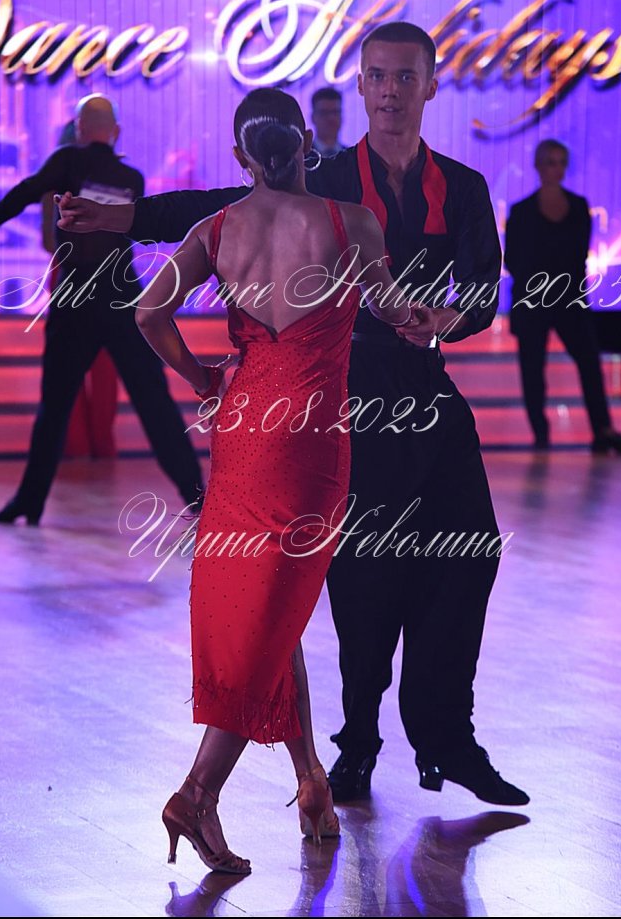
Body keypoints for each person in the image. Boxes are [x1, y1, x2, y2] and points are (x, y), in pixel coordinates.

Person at [57, 22, 529, 807]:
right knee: (365, 574)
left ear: (430, 84)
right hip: (343, 394)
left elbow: (482, 285)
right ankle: (356, 744)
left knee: (470, 551)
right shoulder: (324, 174)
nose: (389, 91)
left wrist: (450, 317)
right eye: (377, 75)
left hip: (426, 387)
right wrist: (119, 218)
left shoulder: (465, 186)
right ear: (362, 84)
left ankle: (447, 734)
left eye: (404, 77)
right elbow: (218, 205)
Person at [133, 87, 416, 873]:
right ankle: (196, 793)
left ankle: (310, 777)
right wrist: (425, 320)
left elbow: (148, 313)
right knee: (274, 607)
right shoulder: (352, 222)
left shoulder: (216, 229)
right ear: (305, 145)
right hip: (311, 441)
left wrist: (200, 376)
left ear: (240, 157)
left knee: (271, 608)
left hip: (243, 431)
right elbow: (392, 308)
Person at [0, 94, 202, 526]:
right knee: (153, 401)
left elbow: (28, 190)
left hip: (76, 298)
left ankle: (30, 501)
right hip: (121, 297)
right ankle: (198, 496)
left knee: (55, 405)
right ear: (115, 132)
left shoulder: (67, 160)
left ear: (80, 129)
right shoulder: (131, 177)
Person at [505, 140, 621, 454]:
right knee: (533, 370)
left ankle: (603, 430)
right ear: (538, 166)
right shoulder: (521, 211)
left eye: (561, 162)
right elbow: (513, 258)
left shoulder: (578, 206)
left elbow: (577, 255)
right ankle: (540, 435)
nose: (556, 168)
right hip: (533, 302)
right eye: (550, 161)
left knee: (589, 363)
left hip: (569, 300)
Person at [41, 118, 119, 460]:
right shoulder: (116, 178)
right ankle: (101, 443)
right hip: (106, 273)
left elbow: (48, 240)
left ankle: (74, 444)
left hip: (68, 273)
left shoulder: (56, 183)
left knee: (66, 361)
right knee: (104, 361)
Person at [310, 87, 347, 157]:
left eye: (335, 112)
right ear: (313, 118)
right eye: (324, 112)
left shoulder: (353, 158)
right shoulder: (303, 157)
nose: (331, 118)